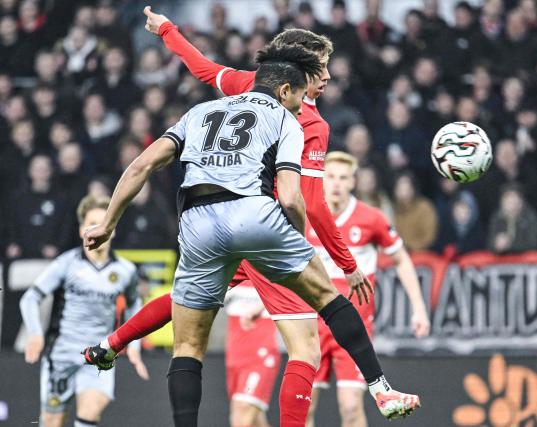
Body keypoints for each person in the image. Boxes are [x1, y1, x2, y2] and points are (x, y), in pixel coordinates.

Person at [83, 9, 413, 425]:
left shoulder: (233, 91)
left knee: (189, 317)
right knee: (307, 343)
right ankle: (381, 388)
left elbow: (200, 70)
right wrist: (340, 262)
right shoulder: (303, 121)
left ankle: (112, 343)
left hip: (202, 222)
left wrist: (166, 30)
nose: (328, 77)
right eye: (321, 68)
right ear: (296, 77)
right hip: (262, 225)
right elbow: (307, 201)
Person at [305, 152, 430, 427]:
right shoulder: (306, 216)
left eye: (343, 177)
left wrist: (419, 309)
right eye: (330, 176)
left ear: (353, 182)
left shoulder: (370, 218)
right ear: (321, 179)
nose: (336, 183)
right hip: (312, 327)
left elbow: (401, 259)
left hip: (354, 328)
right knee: (305, 406)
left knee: (350, 407)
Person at [19, 195, 148, 427]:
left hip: (99, 355)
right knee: (52, 421)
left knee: (89, 412)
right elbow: (30, 298)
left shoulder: (125, 271)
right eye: (92, 224)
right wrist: (35, 333)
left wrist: (135, 346)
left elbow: (133, 304)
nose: (98, 230)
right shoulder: (66, 264)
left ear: (113, 230)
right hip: (61, 355)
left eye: (104, 223)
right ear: (81, 230)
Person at [224, 280, 281, 427]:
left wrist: (260, 307)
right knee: (255, 420)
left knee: (242, 411)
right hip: (235, 356)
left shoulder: (272, 269)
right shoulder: (231, 271)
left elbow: (290, 289)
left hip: (261, 354)